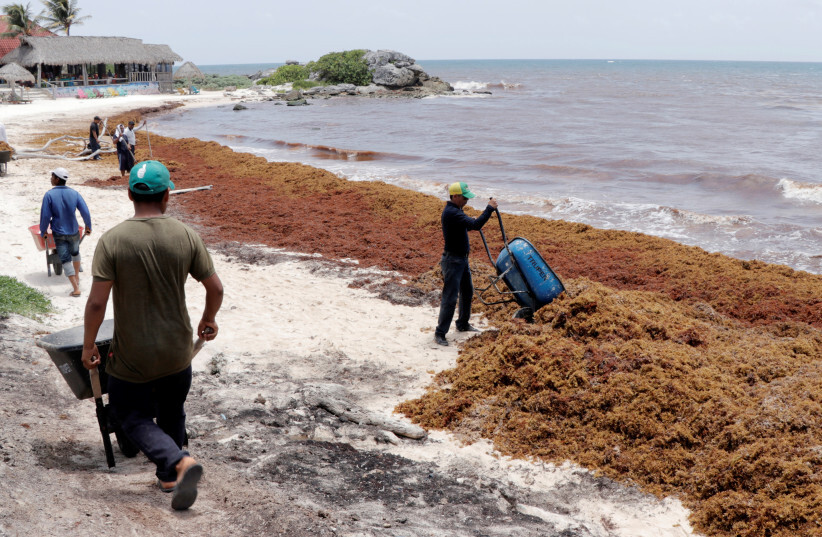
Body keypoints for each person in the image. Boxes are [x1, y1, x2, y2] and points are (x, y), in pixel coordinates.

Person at [81, 160, 223, 511]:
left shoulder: (113, 240)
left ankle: (179, 462)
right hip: (178, 351)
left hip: (133, 358)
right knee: (172, 409)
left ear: (129, 194)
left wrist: (88, 346)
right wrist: (209, 319)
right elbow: (215, 288)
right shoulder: (186, 235)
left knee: (131, 415)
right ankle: (169, 474)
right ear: (167, 196)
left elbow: (97, 303)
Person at [434, 182, 498, 346]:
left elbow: (467, 225)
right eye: (464, 198)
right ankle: (440, 333)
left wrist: (470, 221)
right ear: (455, 196)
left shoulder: (457, 211)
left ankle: (462, 324)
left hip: (461, 260)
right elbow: (475, 225)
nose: (466, 201)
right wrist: (489, 209)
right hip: (453, 260)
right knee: (450, 298)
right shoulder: (451, 212)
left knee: (467, 292)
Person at [39, 168, 92, 297]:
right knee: (75, 252)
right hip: (74, 230)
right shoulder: (74, 193)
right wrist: (88, 226)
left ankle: (75, 288)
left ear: (57, 179)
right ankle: (77, 277)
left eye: (52, 176)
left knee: (65, 260)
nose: (50, 178)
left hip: (59, 232)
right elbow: (85, 211)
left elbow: (45, 216)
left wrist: (44, 231)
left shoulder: (49, 195)